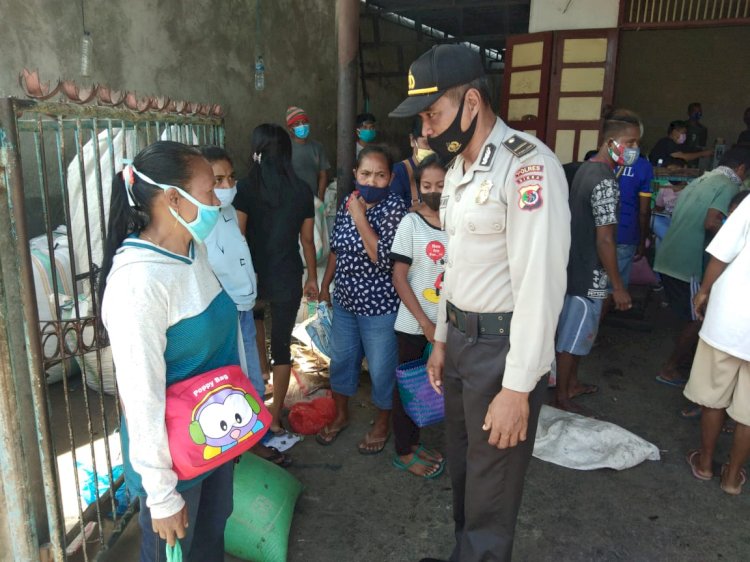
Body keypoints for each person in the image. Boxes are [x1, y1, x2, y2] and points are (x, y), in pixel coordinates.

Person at [390, 44, 570, 561]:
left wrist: (519, 386)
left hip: (504, 351)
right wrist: (442, 340)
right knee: (467, 471)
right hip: (464, 345)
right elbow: (457, 268)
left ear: (472, 103)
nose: (426, 131)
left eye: (433, 115)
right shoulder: (459, 173)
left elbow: (540, 286)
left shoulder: (527, 168)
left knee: (492, 491)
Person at [100, 141, 235, 560]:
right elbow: (140, 397)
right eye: (210, 189)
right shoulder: (137, 284)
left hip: (212, 439)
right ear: (173, 198)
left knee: (210, 543)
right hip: (174, 465)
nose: (218, 200)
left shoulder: (192, 251)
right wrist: (161, 494)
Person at [200, 146, 291, 468]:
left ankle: (250, 441)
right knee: (232, 382)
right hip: (222, 313)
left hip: (240, 307)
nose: (227, 186)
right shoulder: (197, 223)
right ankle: (243, 448)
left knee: (251, 378)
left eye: (230, 178)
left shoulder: (226, 212)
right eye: (218, 180)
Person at [316, 145, 407, 453]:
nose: (371, 181)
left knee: (382, 368)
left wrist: (359, 217)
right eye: (365, 174)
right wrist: (325, 284)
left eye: (380, 176)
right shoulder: (348, 201)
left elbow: (381, 258)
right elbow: (337, 248)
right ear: (355, 174)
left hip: (379, 306)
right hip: (345, 301)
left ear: (391, 178)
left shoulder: (396, 208)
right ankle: (341, 414)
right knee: (341, 360)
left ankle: (383, 421)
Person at [234, 124, 319, 449]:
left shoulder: (244, 188)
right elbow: (307, 240)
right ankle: (276, 413)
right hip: (286, 275)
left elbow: (240, 237)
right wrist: (311, 277)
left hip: (251, 277)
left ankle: (260, 386)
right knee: (281, 343)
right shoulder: (301, 189)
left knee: (253, 328)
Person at [554, 110, 640, 415]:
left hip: (574, 265)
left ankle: (571, 383)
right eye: (629, 142)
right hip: (588, 273)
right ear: (611, 141)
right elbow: (605, 238)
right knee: (572, 338)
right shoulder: (604, 181)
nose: (633, 149)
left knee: (574, 335)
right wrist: (618, 286)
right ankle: (563, 395)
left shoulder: (586, 170)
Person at [653, 146, 749, 386]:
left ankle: (683, 361)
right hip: (690, 262)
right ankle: (670, 368)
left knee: (688, 315)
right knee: (698, 317)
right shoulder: (729, 187)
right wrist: (737, 241)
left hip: (669, 255)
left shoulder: (700, 180)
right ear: (740, 169)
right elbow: (711, 222)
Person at [684, 191, 750, 495]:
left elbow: (722, 253)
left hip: (730, 316)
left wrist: (703, 291)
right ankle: (732, 477)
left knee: (713, 393)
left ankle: (706, 463)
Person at [389, 154, 447, 478]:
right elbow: (399, 277)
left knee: (431, 386)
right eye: (427, 185)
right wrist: (426, 324)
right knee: (408, 387)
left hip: (447, 326)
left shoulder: (456, 224)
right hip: (414, 325)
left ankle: (415, 440)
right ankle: (404, 450)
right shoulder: (410, 224)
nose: (434, 191)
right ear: (417, 187)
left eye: (441, 185)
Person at [286, 106, 331, 201]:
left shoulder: (318, 147)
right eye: (297, 123)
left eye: (304, 122)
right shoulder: (285, 148)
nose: (302, 126)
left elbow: (323, 175)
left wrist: (320, 197)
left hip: (312, 199)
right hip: (291, 199)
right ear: (290, 128)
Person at [389, 116, 435, 208]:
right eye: (426, 143)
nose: (432, 148)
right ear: (412, 140)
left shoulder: (447, 171)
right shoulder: (398, 173)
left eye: (436, 143)